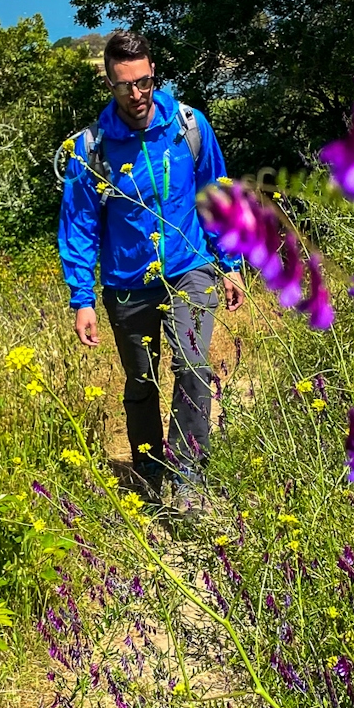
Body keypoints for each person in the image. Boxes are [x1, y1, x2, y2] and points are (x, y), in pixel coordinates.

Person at [57, 30, 245, 501]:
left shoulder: (188, 126)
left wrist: (230, 261)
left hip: (189, 267)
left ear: (153, 73)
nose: (136, 95)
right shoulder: (91, 149)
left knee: (193, 368)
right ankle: (147, 470)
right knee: (142, 381)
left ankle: (187, 477)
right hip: (127, 283)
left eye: (143, 82)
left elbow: (215, 196)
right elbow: (79, 228)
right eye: (124, 86)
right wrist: (82, 299)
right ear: (109, 84)